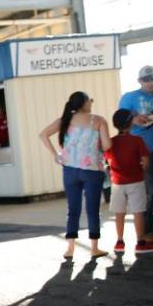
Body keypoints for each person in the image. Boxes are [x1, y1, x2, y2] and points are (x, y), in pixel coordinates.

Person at [38, 91, 112, 259]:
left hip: (70, 170)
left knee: (73, 209)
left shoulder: (64, 120)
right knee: (92, 210)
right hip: (92, 170)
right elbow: (107, 146)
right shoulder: (99, 120)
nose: (91, 103)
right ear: (85, 103)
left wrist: (56, 155)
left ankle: (70, 248)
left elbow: (43, 135)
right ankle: (94, 248)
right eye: (90, 100)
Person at [118, 65, 153, 244]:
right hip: (141, 151)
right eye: (146, 80)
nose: (150, 83)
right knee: (148, 191)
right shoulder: (130, 97)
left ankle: (150, 229)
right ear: (139, 81)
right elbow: (120, 119)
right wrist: (135, 119)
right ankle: (145, 232)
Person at [105, 108, 153, 254]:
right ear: (130, 123)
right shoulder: (137, 141)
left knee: (119, 213)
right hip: (136, 181)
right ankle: (140, 243)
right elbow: (146, 162)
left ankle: (119, 242)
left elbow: (108, 159)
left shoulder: (111, 142)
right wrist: (140, 169)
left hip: (117, 183)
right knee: (138, 212)